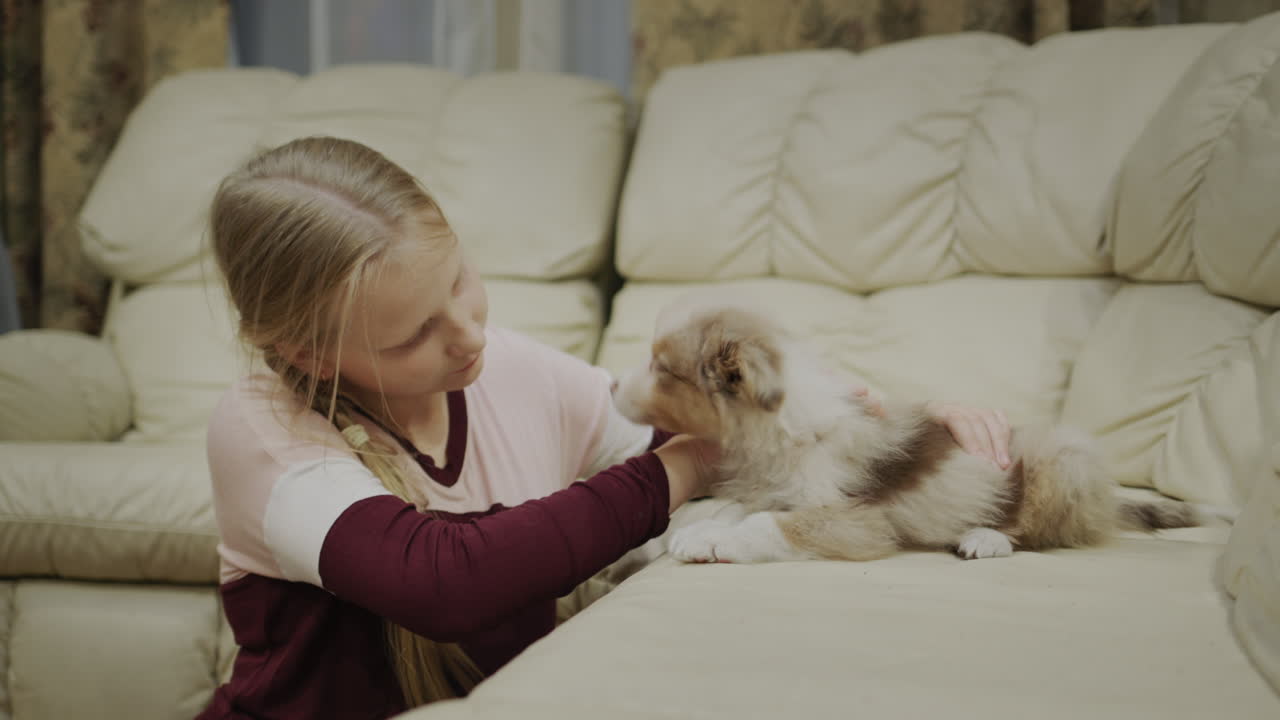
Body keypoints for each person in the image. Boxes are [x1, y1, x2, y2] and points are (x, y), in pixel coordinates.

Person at [197, 136, 1012, 719]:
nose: (469, 332)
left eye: (462, 281)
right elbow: (442, 581)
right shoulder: (265, 427)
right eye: (414, 335)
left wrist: (897, 438)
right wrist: (681, 470)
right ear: (311, 352)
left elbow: (721, 446)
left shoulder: (507, 367)